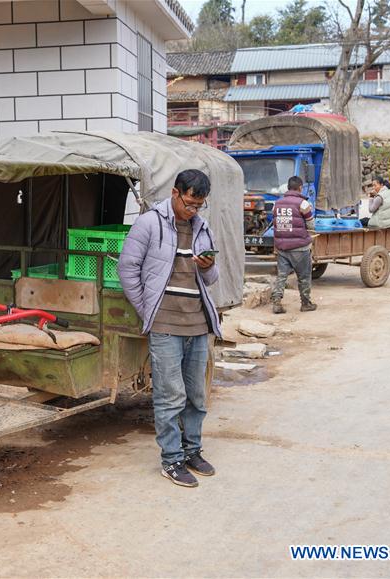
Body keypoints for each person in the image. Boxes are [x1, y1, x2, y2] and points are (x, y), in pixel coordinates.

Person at [118, 169, 221, 488]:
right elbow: (127, 268)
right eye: (190, 203)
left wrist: (208, 266)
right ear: (175, 193)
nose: (193, 210)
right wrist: (148, 307)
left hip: (197, 322)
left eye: (199, 205)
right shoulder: (149, 223)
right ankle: (171, 459)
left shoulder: (202, 228)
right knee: (169, 394)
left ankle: (192, 451)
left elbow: (212, 279)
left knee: (197, 395)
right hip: (165, 323)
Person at [271, 176, 316, 314]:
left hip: (282, 247)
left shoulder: (277, 204)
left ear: (288, 188)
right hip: (300, 248)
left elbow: (275, 223)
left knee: (281, 276)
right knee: (304, 276)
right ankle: (306, 303)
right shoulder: (303, 204)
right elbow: (311, 225)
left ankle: (277, 303)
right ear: (300, 188)